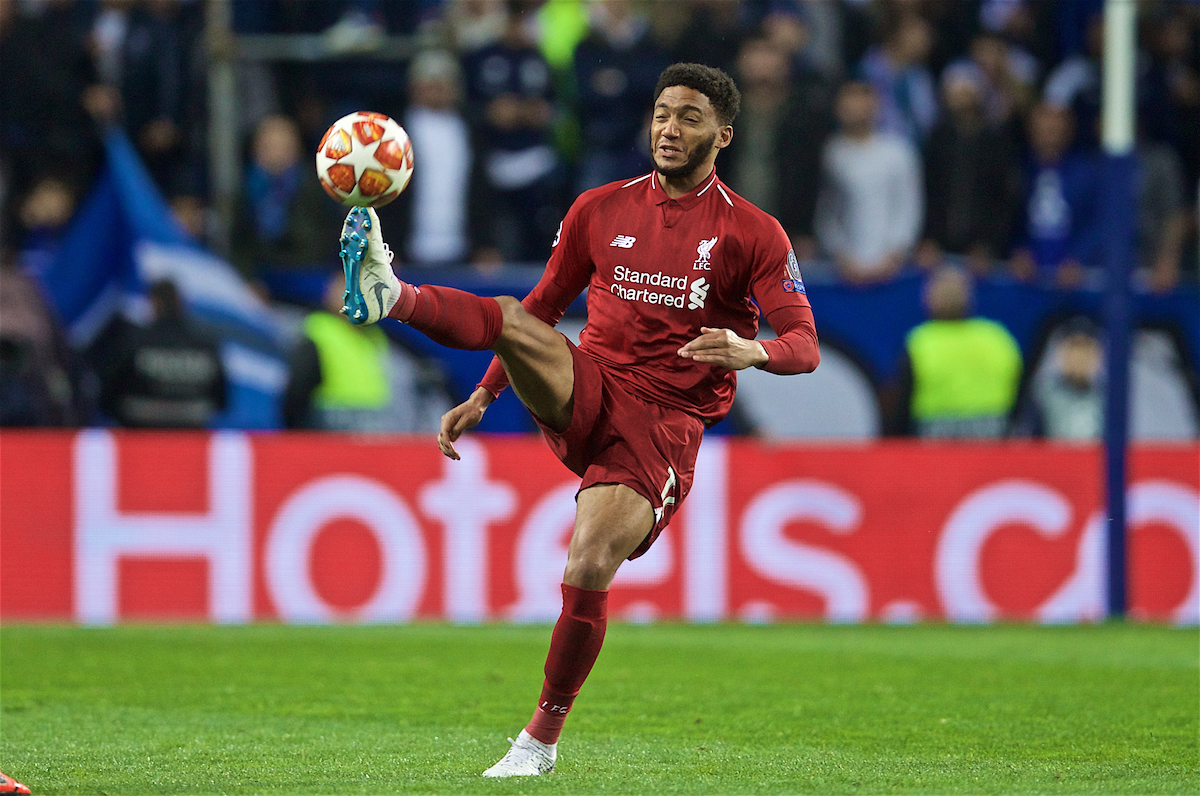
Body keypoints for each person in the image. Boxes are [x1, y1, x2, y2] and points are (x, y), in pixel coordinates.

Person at [335, 63, 819, 776]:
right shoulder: (600, 208)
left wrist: (754, 348)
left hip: (665, 424)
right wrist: (485, 396)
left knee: (589, 563)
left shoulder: (754, 233)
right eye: (661, 112)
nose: (668, 127)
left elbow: (804, 346)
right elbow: (539, 310)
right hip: (590, 385)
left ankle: (539, 740)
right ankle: (393, 294)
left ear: (723, 135)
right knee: (505, 315)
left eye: (688, 116)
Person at [893, 266, 1022, 439]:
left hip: (935, 434)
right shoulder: (997, 336)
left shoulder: (921, 340)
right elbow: (1020, 387)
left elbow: (903, 399)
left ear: (929, 299)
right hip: (993, 433)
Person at [815, 80, 923, 285]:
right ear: (838, 107)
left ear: (876, 105)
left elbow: (908, 206)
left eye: (863, 99)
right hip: (843, 270)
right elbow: (826, 210)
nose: (857, 107)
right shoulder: (832, 152)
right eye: (850, 99)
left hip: (893, 269)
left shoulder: (898, 151)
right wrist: (841, 256)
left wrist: (894, 255)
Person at [99, 279, 227, 428]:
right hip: (190, 440)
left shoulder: (134, 341)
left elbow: (107, 396)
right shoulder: (206, 344)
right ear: (180, 303)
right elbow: (221, 401)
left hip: (140, 438)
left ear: (154, 302)